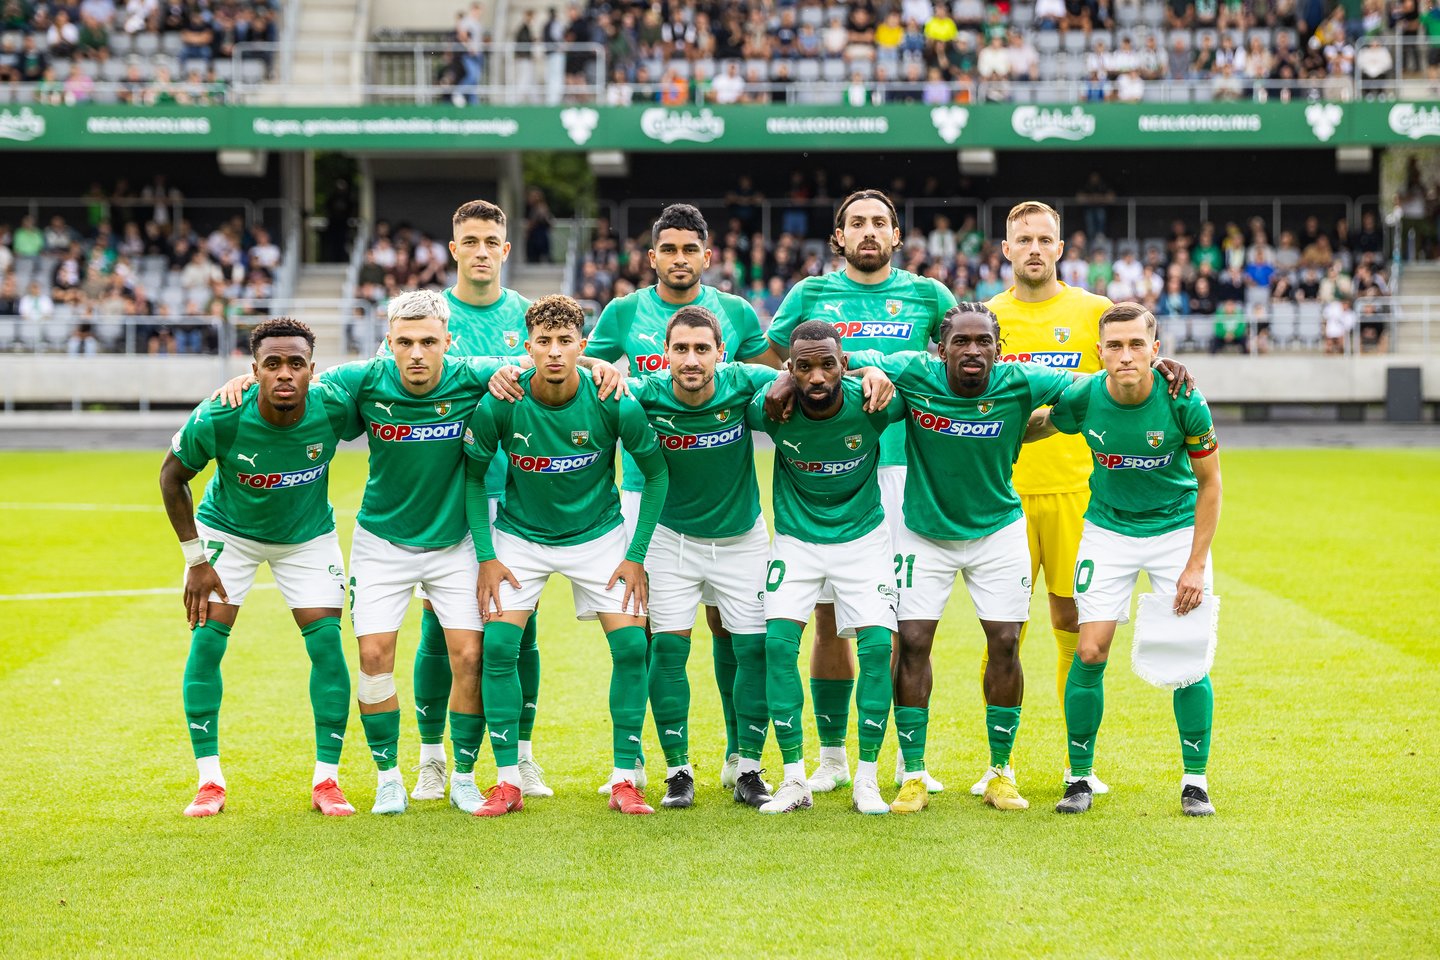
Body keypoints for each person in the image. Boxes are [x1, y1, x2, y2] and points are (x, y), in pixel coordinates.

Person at [984, 201, 1191, 798]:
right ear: (1006, 249)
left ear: (1060, 247)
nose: (1034, 249)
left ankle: (1077, 764)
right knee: (1004, 632)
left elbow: (1137, 358)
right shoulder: (987, 316)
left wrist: (1170, 366)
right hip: (1004, 494)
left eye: (1044, 239)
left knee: (1071, 625)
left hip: (1077, 492)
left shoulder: (1093, 311)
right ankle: (999, 765)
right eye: (1023, 239)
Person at [764, 189, 957, 797]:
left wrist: (881, 370)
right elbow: (785, 359)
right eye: (856, 223)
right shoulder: (809, 294)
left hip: (903, 471)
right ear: (838, 236)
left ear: (896, 235)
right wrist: (795, 376)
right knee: (826, 620)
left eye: (879, 222)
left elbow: (956, 359)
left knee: (900, 625)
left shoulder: (930, 294)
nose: (868, 231)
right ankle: (831, 757)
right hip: (833, 470)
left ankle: (906, 760)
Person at [848, 303, 1078, 814]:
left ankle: (1001, 772)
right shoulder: (915, 371)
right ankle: (912, 774)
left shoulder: (1020, 380)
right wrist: (871, 372)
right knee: (912, 643)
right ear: (941, 349)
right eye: (961, 342)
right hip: (923, 532)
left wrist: (1156, 368)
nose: (973, 350)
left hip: (998, 532)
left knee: (1005, 643)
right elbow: (845, 360)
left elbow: (1090, 385)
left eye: (983, 342)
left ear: (999, 349)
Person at [584, 203, 777, 792]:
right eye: (668, 249)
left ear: (707, 256)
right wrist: (603, 371)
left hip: (728, 503)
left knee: (729, 629)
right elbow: (588, 369)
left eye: (689, 249)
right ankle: (648, 759)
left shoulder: (736, 312)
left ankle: (740, 756)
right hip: (647, 497)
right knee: (648, 636)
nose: (679, 258)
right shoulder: (624, 311)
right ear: (652, 257)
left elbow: (772, 379)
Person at [462, 294, 669, 816]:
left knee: (631, 649)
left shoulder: (612, 399)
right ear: (527, 346)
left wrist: (635, 555)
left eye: (564, 341)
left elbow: (657, 474)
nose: (554, 352)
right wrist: (486, 555)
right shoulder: (502, 401)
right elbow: (472, 478)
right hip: (520, 538)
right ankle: (507, 781)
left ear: (582, 345)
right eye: (544, 342)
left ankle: (625, 779)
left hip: (598, 536)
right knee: (498, 648)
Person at [159, 318, 360, 819]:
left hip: (307, 538)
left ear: (312, 369)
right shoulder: (221, 415)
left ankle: (328, 780)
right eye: (272, 364)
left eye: (295, 363)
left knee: (327, 647)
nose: (284, 373)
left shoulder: (335, 406)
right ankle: (209, 781)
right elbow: (171, 477)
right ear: (254, 370)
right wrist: (196, 558)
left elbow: (389, 389)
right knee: (207, 644)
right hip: (228, 534)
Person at [396, 200, 553, 803]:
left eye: (492, 241)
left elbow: (563, 359)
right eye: (471, 241)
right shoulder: (430, 316)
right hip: (450, 498)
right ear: (453, 248)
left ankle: (523, 758)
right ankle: (432, 760)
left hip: (517, 495)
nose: (482, 251)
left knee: (520, 631)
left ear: (506, 250)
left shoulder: (527, 316)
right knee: (440, 631)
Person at [1041, 302, 1222, 817]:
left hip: (1175, 531)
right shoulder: (1083, 396)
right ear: (1099, 352)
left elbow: (1211, 484)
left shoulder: (1184, 399)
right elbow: (1037, 425)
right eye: (1115, 346)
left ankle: (1195, 781)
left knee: (1187, 656)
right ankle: (1079, 777)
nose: (1126, 356)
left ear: (1155, 350)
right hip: (1108, 531)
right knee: (1089, 650)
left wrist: (1194, 565)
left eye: (1136, 344)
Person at [748, 321, 906, 815]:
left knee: (877, 648)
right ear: (789, 368)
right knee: (778, 645)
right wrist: (776, 381)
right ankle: (794, 779)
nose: (816, 377)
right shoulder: (769, 408)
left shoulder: (875, 403)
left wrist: (875, 370)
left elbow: (927, 379)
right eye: (804, 367)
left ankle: (867, 780)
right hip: (796, 540)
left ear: (844, 365)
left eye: (827, 364)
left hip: (864, 540)